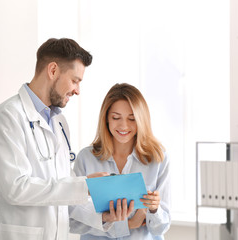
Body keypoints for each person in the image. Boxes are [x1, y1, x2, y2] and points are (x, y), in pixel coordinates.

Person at [0, 38, 107, 240]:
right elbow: (15, 188)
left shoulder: (59, 123)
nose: (77, 90)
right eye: (75, 80)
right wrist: (85, 186)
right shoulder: (8, 116)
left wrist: (104, 216)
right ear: (53, 70)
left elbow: (65, 196)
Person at [69, 83, 171, 239]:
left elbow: (161, 228)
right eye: (116, 117)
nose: (124, 126)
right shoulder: (86, 158)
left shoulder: (158, 158)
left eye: (132, 119)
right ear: (107, 119)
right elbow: (73, 221)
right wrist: (128, 224)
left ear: (141, 120)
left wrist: (154, 210)